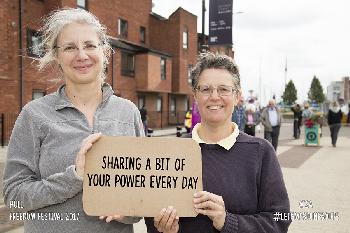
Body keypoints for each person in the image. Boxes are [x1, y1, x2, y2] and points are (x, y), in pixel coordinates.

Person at [2, 8, 144, 233]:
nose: (81, 55)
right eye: (70, 47)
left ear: (104, 51)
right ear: (56, 55)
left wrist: (129, 213)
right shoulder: (34, 115)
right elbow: (14, 198)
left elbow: (143, 191)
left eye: (89, 45)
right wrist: (75, 177)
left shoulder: (128, 113)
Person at [145, 53, 291, 233]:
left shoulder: (261, 152)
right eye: (205, 89)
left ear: (237, 96)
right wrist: (165, 230)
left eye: (223, 89)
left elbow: (279, 221)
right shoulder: (171, 152)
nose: (214, 96)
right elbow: (151, 220)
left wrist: (227, 221)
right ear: (195, 96)